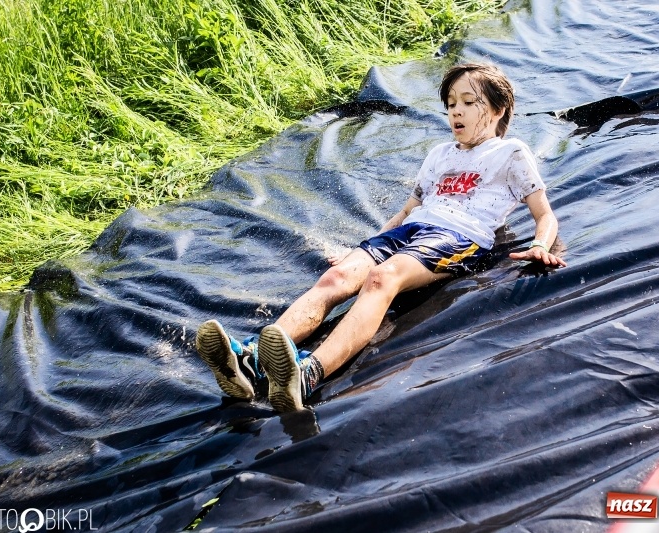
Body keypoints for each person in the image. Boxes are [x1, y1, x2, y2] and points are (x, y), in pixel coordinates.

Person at [196, 62, 567, 413]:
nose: (456, 112)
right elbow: (407, 211)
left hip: (459, 235)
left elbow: (544, 213)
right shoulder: (440, 154)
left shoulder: (510, 152)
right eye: (451, 104)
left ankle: (308, 375)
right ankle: (250, 364)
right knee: (336, 278)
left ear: (499, 110)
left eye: (470, 104)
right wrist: (361, 249)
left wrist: (540, 244)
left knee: (382, 278)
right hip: (412, 228)